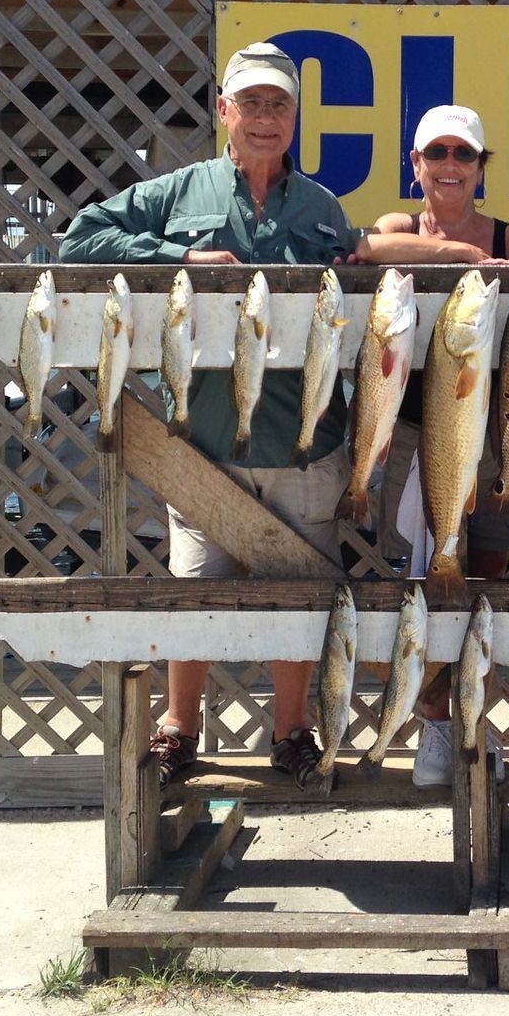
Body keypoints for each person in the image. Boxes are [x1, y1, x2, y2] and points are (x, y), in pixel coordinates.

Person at [58, 41, 363, 789]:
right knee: (190, 594)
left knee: (299, 597)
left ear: (296, 117)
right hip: (205, 441)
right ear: (224, 111)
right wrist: (177, 259)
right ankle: (178, 728)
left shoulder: (325, 210)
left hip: (305, 443)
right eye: (250, 103)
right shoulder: (177, 192)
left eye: (278, 105)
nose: (264, 118)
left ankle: (291, 730)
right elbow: (81, 239)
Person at [359, 104, 509, 788]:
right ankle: (435, 722)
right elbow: (369, 249)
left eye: (464, 154)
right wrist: (461, 257)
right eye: (438, 154)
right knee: (419, 581)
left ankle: (472, 713)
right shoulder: (401, 228)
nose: (450, 166)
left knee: (484, 578)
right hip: (412, 433)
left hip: (492, 432)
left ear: (481, 168)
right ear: (416, 165)